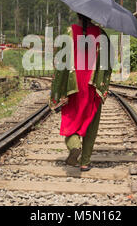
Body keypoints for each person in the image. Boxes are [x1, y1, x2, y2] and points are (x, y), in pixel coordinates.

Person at [49, 13, 112, 171]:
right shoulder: (101, 34)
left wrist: (58, 85)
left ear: (77, 15)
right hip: (92, 86)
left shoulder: (69, 32)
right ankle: (85, 162)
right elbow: (109, 61)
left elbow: (59, 61)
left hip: (73, 87)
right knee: (91, 123)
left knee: (71, 121)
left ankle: (74, 146)